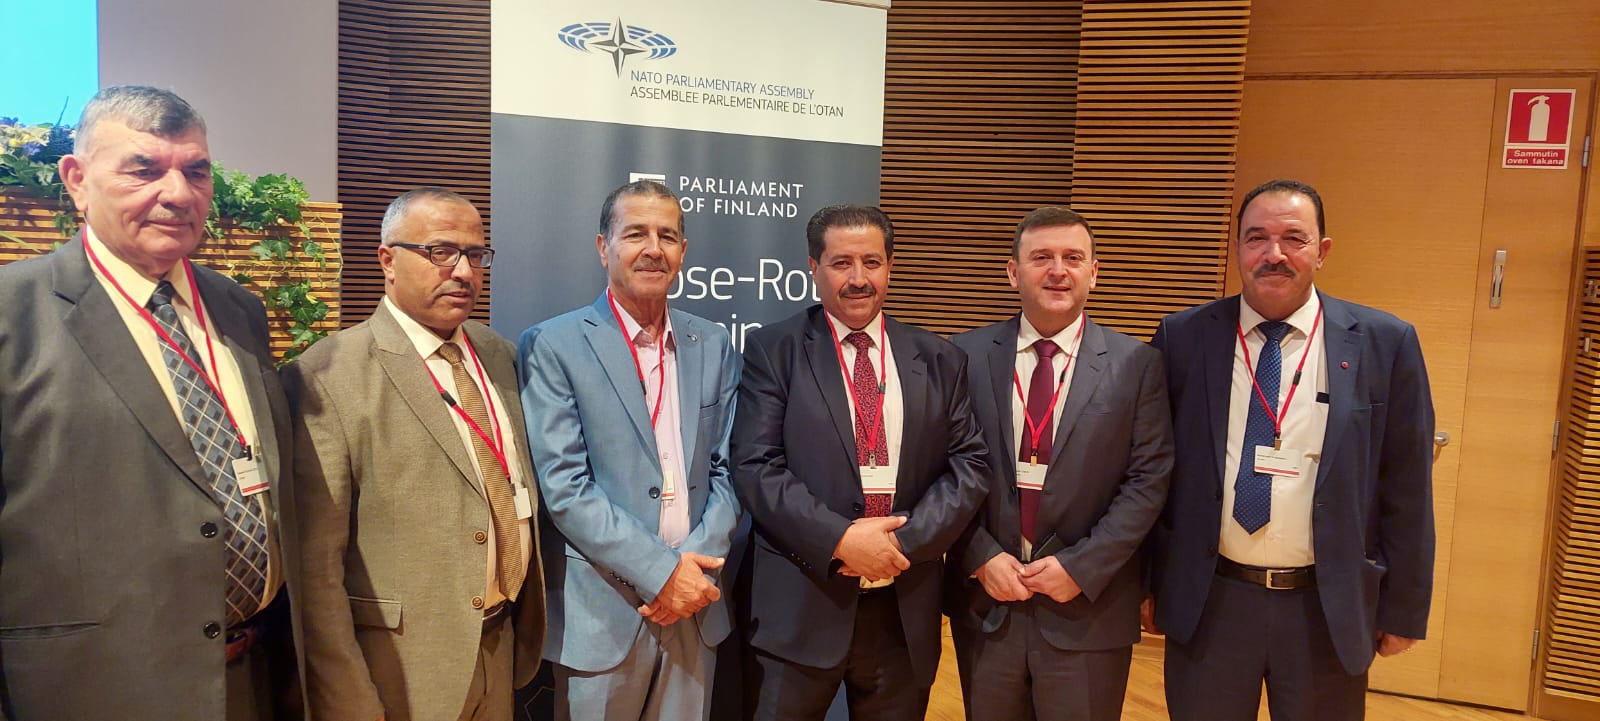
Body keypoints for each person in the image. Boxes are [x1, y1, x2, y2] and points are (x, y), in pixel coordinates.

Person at [0, 85, 296, 720]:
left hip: (252, 679)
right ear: (77, 180)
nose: (179, 193)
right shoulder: (11, 313)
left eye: (196, 171)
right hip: (92, 692)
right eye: (144, 169)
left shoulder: (238, 310)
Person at [1147, 179, 1435, 720]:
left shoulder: (1384, 343)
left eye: (1293, 239)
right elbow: (1153, 473)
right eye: (1256, 237)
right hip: (1210, 600)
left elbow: (1408, 485)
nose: (1273, 254)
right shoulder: (1183, 338)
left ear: (1322, 250)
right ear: (1237, 248)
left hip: (1325, 608)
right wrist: (1147, 583)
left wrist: (1405, 608)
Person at [286, 187, 545, 721]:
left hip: (500, 646)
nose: (463, 272)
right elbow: (315, 570)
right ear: (387, 259)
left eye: (475, 254)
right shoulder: (328, 375)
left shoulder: (499, 354)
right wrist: (350, 702)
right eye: (440, 252)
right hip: (399, 670)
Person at [731, 204, 988, 721]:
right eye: (841, 263)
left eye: (871, 262)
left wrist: (901, 544)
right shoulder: (774, 350)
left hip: (902, 608)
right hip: (803, 602)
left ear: (890, 266)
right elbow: (756, 465)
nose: (858, 279)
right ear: (813, 267)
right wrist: (842, 540)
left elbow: (969, 465)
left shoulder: (939, 358)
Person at [519, 180, 741, 721]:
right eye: (636, 233)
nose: (653, 249)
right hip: (605, 612)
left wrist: (691, 573)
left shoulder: (712, 343)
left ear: (683, 251)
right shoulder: (554, 344)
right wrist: (663, 573)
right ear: (604, 247)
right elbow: (565, 489)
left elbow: (729, 470)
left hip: (695, 607)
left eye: (667, 236)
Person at [944, 207, 1172, 721]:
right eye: (1041, 257)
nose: (1057, 270)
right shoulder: (963, 355)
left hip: (1089, 607)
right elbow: (944, 469)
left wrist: (1082, 566)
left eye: (1073, 258)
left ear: (1094, 271)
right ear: (1013, 272)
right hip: (989, 603)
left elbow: (1149, 481)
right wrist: (979, 555)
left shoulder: (1137, 365)